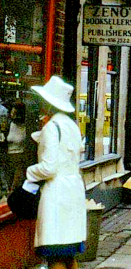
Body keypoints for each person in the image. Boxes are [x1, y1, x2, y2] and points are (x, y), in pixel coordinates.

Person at [26, 76, 86, 269]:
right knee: (69, 254)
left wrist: (30, 172)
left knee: (55, 254)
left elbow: (48, 167)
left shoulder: (52, 127)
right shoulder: (72, 126)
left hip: (56, 196)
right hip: (73, 193)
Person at [7, 101, 28, 192]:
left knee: (16, 176)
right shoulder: (11, 124)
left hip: (18, 153)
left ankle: (12, 191)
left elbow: (17, 139)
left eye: (13, 113)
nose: (11, 115)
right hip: (11, 153)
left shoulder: (22, 125)